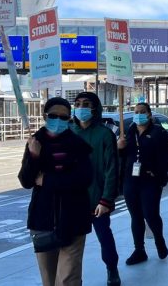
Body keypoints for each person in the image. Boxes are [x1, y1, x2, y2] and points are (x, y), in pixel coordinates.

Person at [18, 97, 93, 286]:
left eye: (64, 117)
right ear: (45, 116)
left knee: (68, 277)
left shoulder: (78, 145)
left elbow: (83, 179)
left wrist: (48, 180)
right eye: (53, 116)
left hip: (73, 219)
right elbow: (27, 181)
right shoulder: (35, 142)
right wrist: (34, 156)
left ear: (69, 118)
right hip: (43, 219)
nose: (58, 120)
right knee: (49, 278)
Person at [70, 92, 121, 286]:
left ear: (95, 108)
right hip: (73, 201)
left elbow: (111, 169)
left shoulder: (104, 134)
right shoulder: (68, 132)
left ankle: (112, 269)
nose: (81, 107)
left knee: (104, 237)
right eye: (77, 104)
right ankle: (73, 279)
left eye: (86, 104)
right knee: (71, 246)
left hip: (97, 200)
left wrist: (106, 199)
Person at [118, 103, 168, 265]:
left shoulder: (158, 132)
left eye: (142, 112)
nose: (139, 115)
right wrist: (120, 147)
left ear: (149, 114)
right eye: (136, 112)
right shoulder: (129, 130)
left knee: (150, 214)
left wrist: (157, 172)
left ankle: (159, 240)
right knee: (135, 216)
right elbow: (124, 155)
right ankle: (139, 250)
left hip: (150, 181)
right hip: (131, 179)